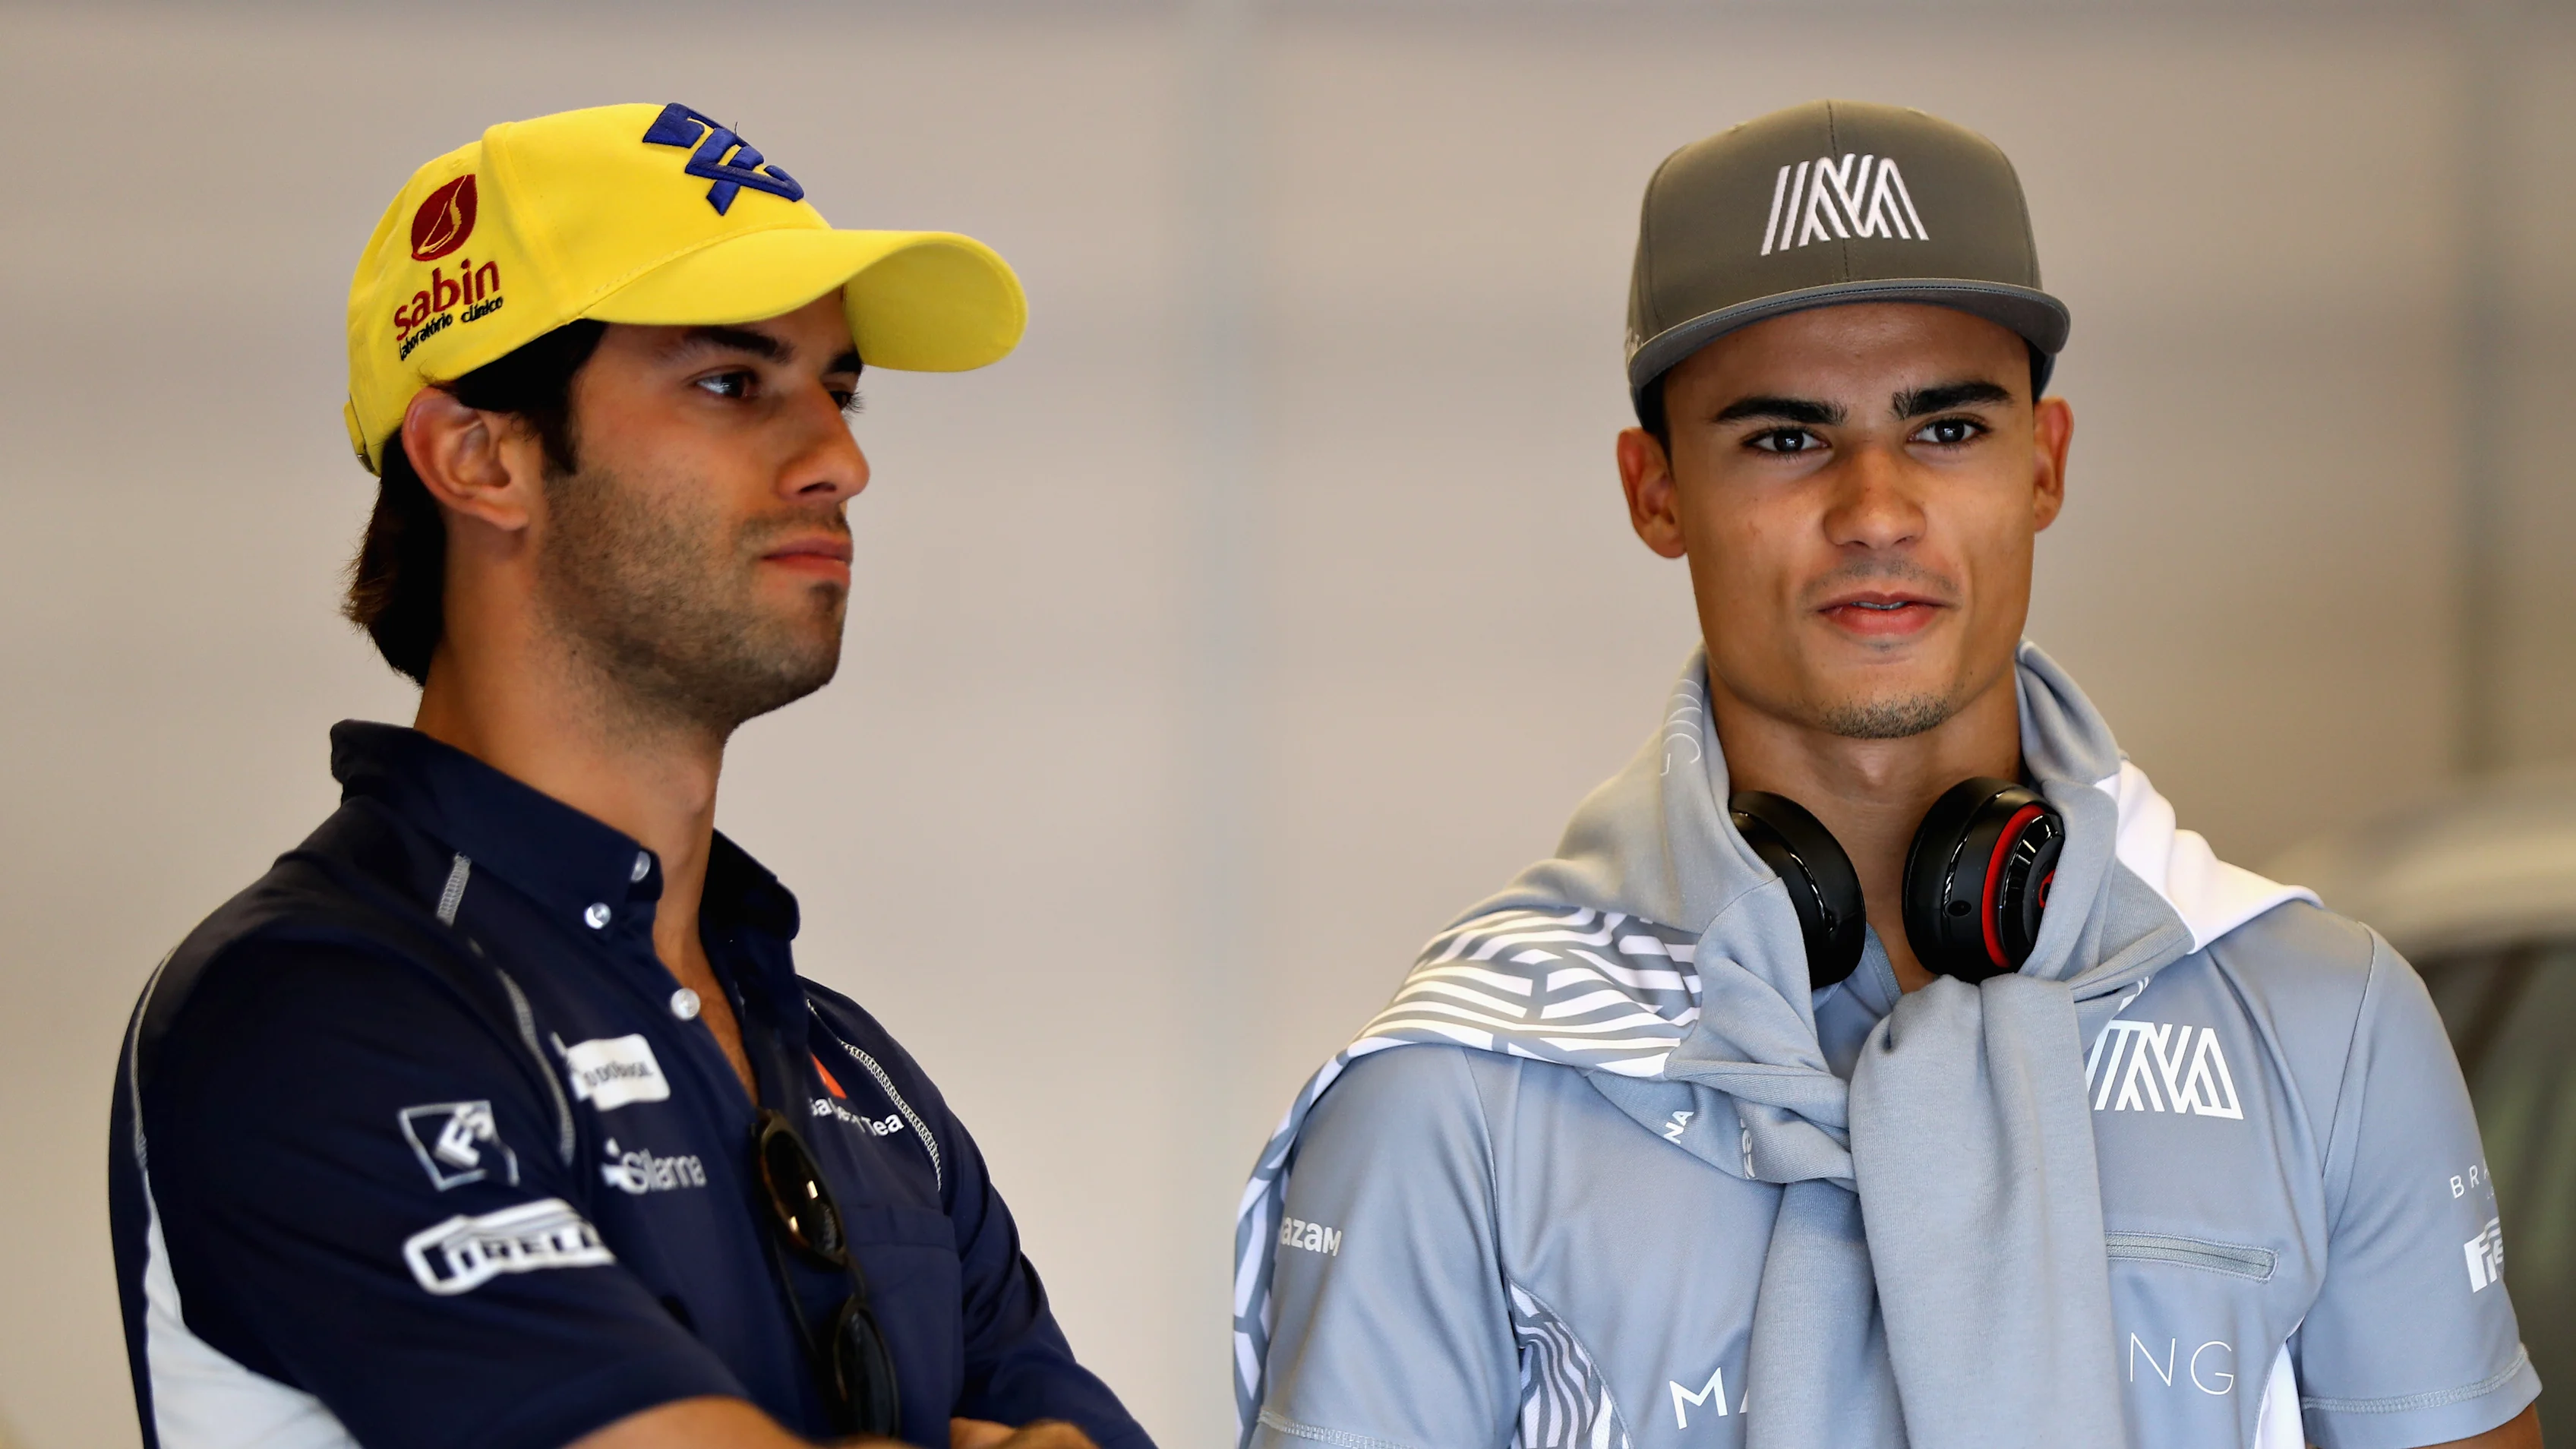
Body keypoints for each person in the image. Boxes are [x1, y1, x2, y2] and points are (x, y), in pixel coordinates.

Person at [1233, 99, 2542, 1449]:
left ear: (2046, 463)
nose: (1874, 511)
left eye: (1947, 430)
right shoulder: (1459, 1090)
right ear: (1656, 491)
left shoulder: (2323, 1026)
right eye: (1785, 438)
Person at [108, 103, 1149, 1449]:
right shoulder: (307, 1006)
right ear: (480, 455)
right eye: (732, 382)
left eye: (836, 391)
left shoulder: (848, 1063)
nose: (843, 461)